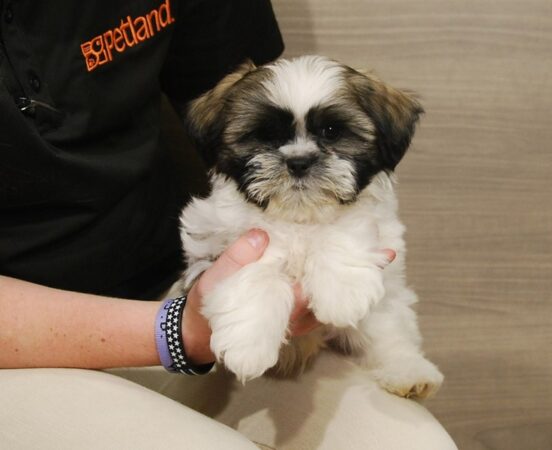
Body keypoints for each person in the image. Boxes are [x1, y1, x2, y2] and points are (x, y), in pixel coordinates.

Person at [0, 1, 457, 448]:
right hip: (27, 349)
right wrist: (187, 330)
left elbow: (247, 91)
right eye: (275, 138)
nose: (299, 156)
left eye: (331, 135)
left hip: (165, 284)